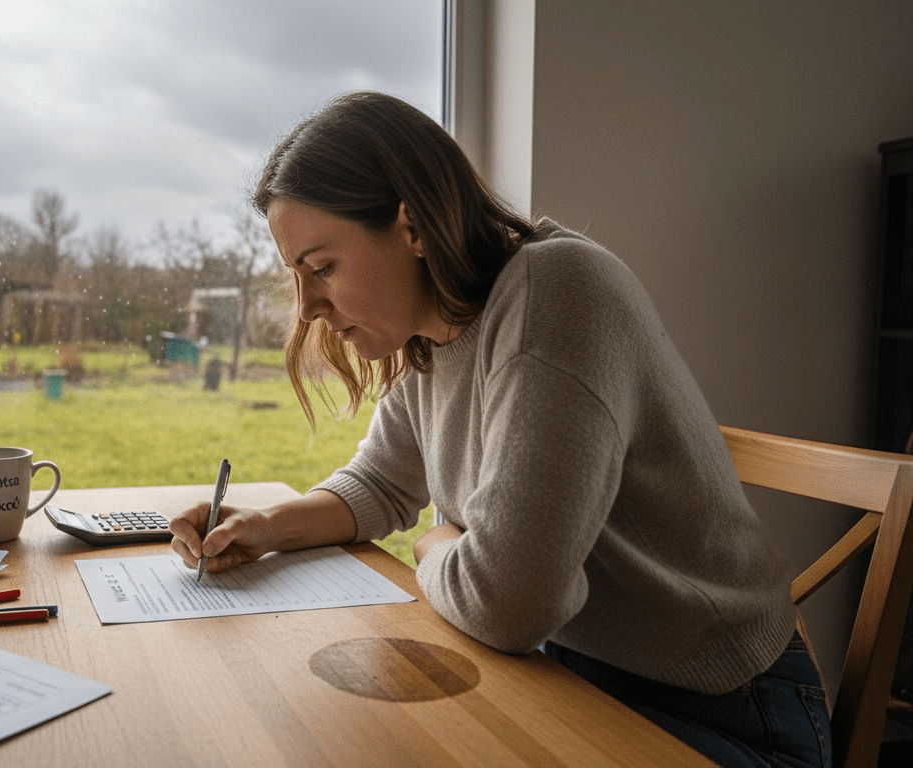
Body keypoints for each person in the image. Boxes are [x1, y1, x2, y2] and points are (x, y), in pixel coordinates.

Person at [168, 91, 831, 768]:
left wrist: (434, 544)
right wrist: (265, 526)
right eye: (296, 276)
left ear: (413, 226)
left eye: (322, 268)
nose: (307, 307)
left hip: (721, 715)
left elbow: (507, 604)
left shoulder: (556, 292)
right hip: (567, 675)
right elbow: (380, 484)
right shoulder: (430, 335)